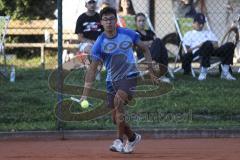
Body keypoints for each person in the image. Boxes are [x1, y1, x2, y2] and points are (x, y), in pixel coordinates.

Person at [80, 7, 158, 153]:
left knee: (118, 100)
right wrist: (84, 94)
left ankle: (119, 141)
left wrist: (151, 70)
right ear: (101, 22)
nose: (109, 22)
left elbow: (145, 49)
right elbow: (92, 69)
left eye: (111, 19)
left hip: (129, 77)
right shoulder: (99, 42)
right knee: (116, 119)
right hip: (111, 81)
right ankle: (133, 137)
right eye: (105, 19)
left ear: (116, 20)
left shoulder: (127, 34)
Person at [182, 13, 236, 81]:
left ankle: (225, 72)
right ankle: (203, 72)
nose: (201, 25)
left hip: (212, 50)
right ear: (194, 23)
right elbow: (186, 51)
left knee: (230, 45)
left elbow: (216, 45)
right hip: (199, 52)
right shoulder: (189, 34)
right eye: (199, 23)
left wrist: (208, 44)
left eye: (202, 23)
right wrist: (199, 46)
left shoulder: (208, 32)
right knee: (207, 43)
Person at [135, 13, 170, 83]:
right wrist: (150, 42)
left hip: (153, 53)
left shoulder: (150, 32)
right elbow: (138, 44)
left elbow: (156, 42)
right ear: (136, 22)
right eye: (139, 21)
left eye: (143, 21)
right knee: (158, 41)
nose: (142, 23)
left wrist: (148, 43)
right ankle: (162, 73)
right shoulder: (135, 33)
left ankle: (159, 71)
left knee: (159, 42)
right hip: (143, 54)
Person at [75, 0, 103, 80]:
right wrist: (91, 42)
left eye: (93, 2)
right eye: (90, 2)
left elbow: (104, 34)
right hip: (85, 43)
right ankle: (94, 71)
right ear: (86, 5)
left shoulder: (100, 17)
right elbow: (80, 38)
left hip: (99, 42)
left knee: (99, 49)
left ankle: (93, 71)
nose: (92, 4)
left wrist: (98, 42)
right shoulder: (81, 18)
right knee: (91, 49)